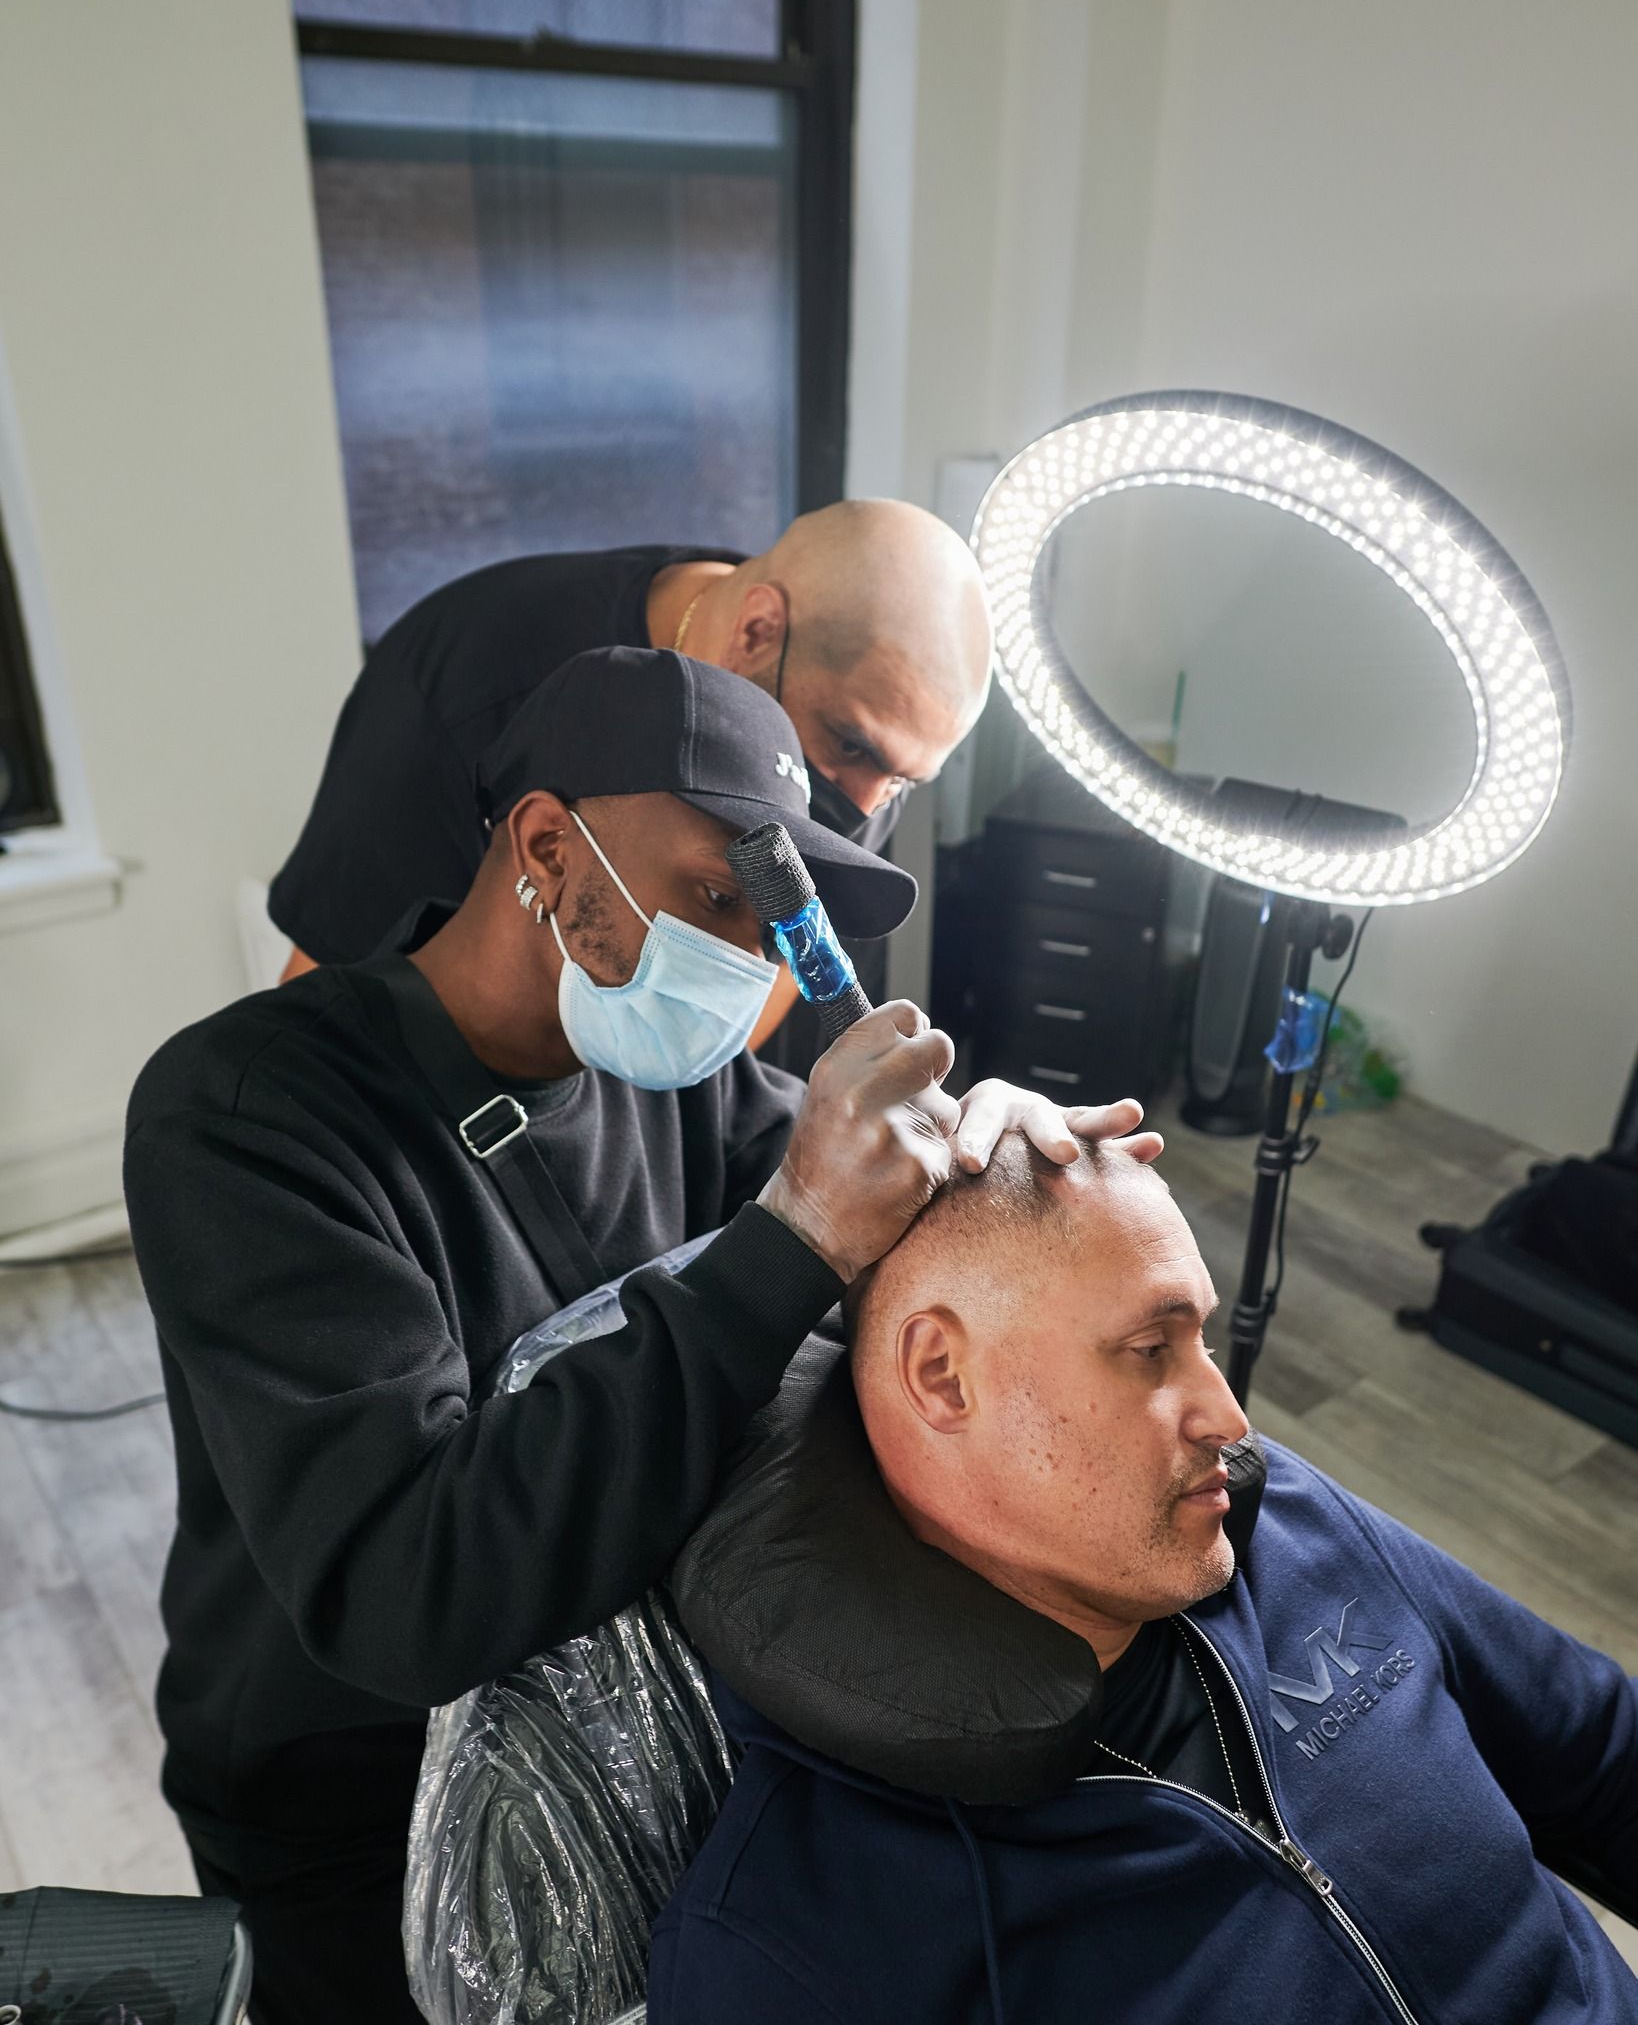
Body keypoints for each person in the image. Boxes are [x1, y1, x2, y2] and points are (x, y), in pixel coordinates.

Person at [125, 648, 1153, 2025]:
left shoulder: (680, 1082)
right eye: (711, 898)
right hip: (344, 1803)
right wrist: (787, 1243)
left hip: (618, 1745)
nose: (736, 968)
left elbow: (884, 1250)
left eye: (763, 928)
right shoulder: (250, 1117)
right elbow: (407, 1591)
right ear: (546, 847)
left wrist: (989, 1168)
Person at [649, 1135, 1638, 2024]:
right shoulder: (800, 1937)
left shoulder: (1284, 1521)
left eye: (1202, 1340)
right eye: (1149, 1349)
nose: (1233, 1418)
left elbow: (1605, 1755)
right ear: (944, 1375)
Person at [269, 499, 994, 1068]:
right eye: (851, 745)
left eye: (902, 782)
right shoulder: (469, 686)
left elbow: (765, 980)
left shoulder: (857, 742)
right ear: (755, 631)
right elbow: (319, 1014)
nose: (863, 807)